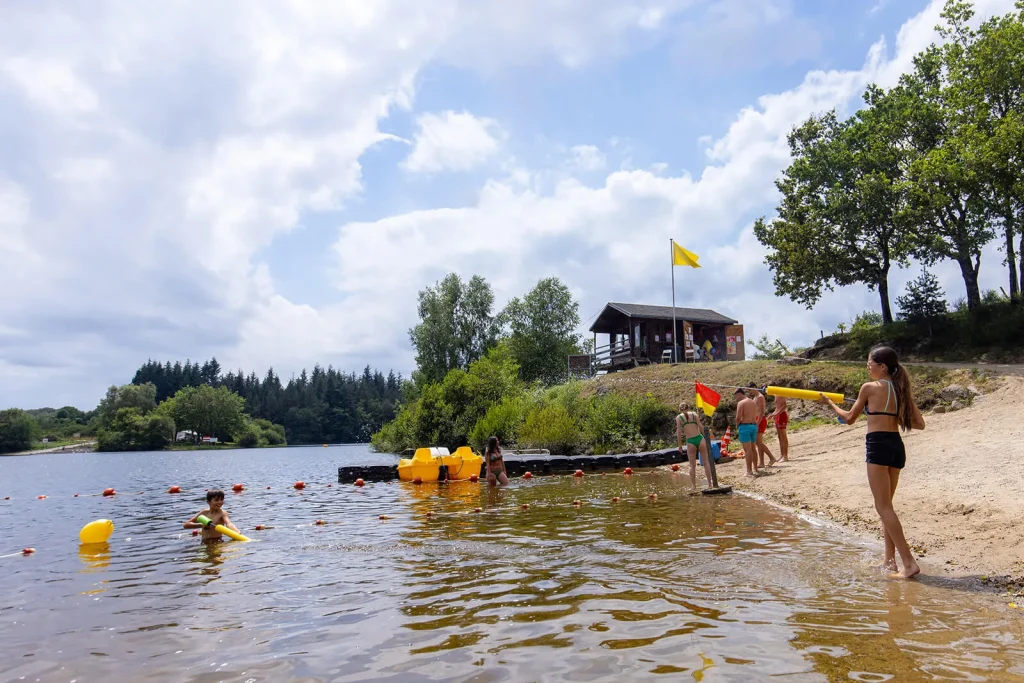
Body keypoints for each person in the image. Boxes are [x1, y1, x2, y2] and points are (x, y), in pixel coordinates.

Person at [820, 345, 925, 580]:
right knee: (886, 506)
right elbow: (919, 423)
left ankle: (908, 563)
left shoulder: (868, 388)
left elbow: (848, 419)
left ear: (882, 366)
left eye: (870, 363)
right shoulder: (901, 389)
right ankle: (889, 560)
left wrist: (829, 403)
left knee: (883, 507)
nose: (868, 366)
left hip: (878, 445)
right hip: (896, 445)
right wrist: (887, 413)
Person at [675, 402, 714, 491]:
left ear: (679, 409)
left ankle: (693, 486)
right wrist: (706, 438)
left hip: (690, 442)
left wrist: (680, 445)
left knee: (692, 466)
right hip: (700, 439)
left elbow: (679, 432)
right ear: (688, 408)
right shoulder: (694, 414)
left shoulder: (679, 418)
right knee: (706, 463)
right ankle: (710, 484)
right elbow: (700, 426)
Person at [734, 388, 760, 477]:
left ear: (739, 394)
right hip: (753, 426)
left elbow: (738, 417)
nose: (736, 399)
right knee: (753, 448)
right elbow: (755, 414)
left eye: (736, 396)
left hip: (745, 427)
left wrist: (737, 425)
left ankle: (749, 471)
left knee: (747, 450)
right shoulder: (753, 402)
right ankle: (755, 468)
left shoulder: (741, 403)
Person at [750, 384, 777, 468]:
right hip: (756, 420)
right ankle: (761, 462)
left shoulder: (760, 397)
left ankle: (772, 457)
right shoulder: (755, 398)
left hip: (760, 420)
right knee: (758, 443)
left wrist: (757, 423)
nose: (749, 392)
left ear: (754, 388)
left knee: (758, 442)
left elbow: (761, 411)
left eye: (750, 389)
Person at [771, 395, 790, 462]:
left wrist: (777, 414)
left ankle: (785, 456)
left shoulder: (780, 393)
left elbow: (784, 406)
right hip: (778, 415)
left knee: (783, 435)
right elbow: (777, 407)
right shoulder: (775, 395)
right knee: (779, 436)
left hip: (782, 415)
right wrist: (773, 414)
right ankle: (782, 455)